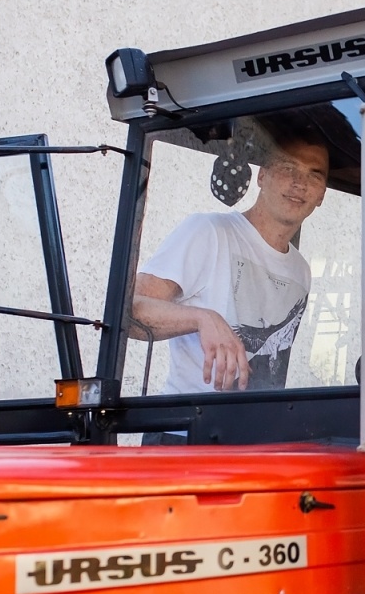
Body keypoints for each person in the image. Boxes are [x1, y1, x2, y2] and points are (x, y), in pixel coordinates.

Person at [131, 132, 330, 427]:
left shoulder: (301, 270)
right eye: (288, 168)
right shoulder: (210, 231)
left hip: (255, 437)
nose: (299, 183)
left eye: (313, 176)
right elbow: (131, 311)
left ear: (322, 194)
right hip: (188, 434)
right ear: (262, 176)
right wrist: (203, 318)